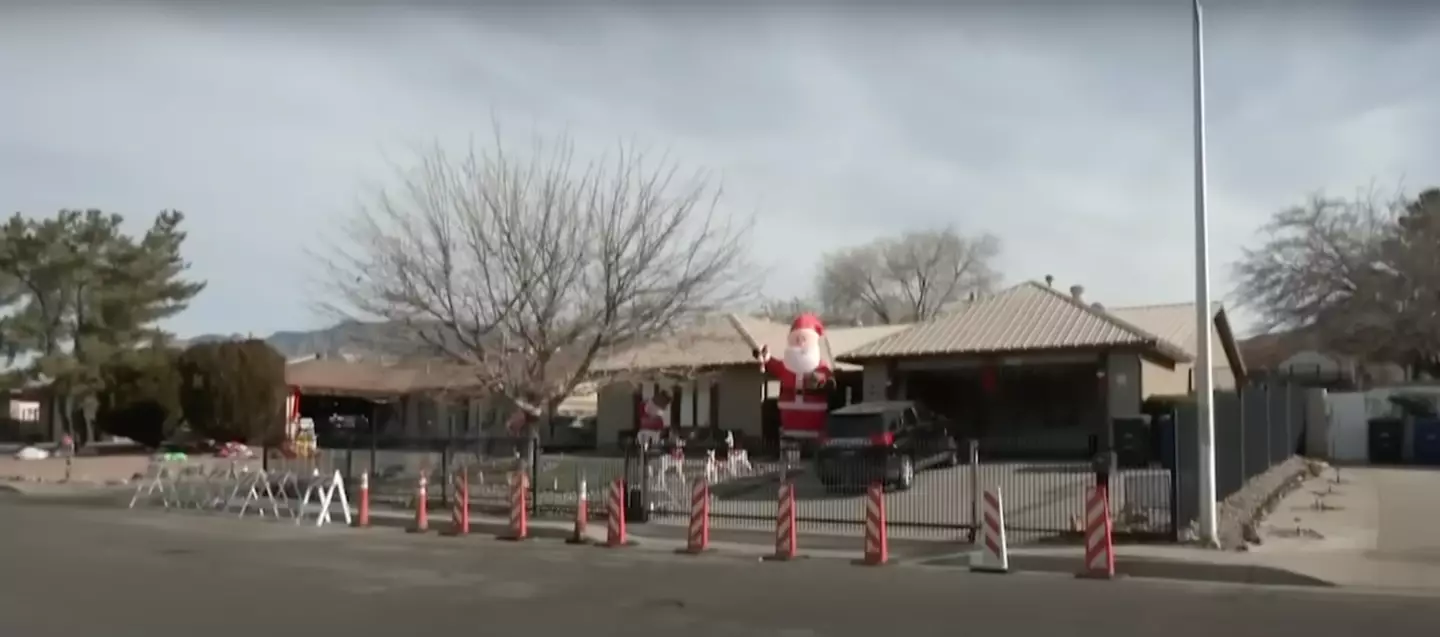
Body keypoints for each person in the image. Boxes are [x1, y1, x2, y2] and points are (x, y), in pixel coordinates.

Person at [754, 313, 836, 444]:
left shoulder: (820, 366)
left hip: (814, 418)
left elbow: (829, 382)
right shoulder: (785, 366)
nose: (800, 342)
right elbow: (774, 366)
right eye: (796, 338)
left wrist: (821, 381)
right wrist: (766, 358)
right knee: (791, 448)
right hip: (789, 420)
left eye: (803, 338)